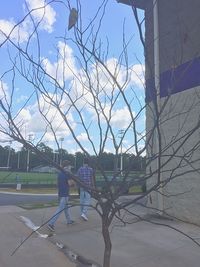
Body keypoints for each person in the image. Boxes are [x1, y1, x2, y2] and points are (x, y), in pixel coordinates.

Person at [48, 160, 75, 231]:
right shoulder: (67, 173)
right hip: (65, 194)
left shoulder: (60, 173)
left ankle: (69, 220)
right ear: (67, 166)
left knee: (66, 208)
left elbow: (57, 184)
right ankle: (51, 223)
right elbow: (70, 184)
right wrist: (73, 181)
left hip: (60, 193)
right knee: (60, 209)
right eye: (69, 166)